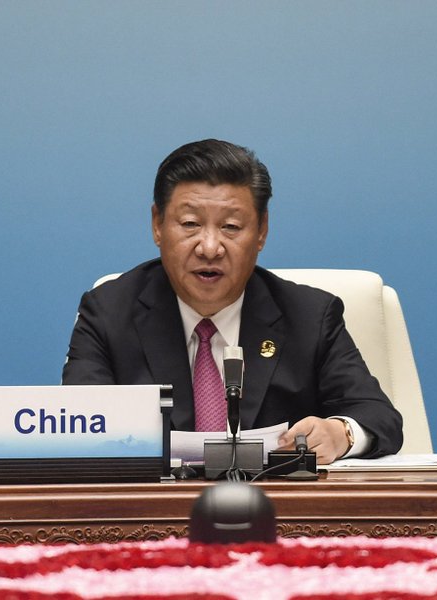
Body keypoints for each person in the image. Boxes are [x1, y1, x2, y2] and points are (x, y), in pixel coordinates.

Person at [62, 139, 403, 463]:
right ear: (157, 225)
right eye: (190, 224)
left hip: (277, 503)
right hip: (154, 503)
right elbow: (79, 427)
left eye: (231, 226)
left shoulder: (310, 316)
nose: (210, 247)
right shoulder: (108, 313)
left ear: (262, 231)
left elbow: (378, 416)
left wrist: (340, 433)